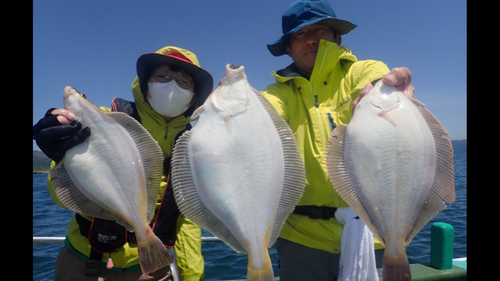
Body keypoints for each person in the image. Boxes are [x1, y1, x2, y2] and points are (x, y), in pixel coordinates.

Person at [261, 0, 414, 280]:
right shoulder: (277, 92)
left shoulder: (362, 71)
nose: (310, 40)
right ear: (288, 48)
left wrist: (391, 88)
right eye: (299, 35)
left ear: (337, 37)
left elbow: (378, 83)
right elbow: (263, 112)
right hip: (302, 240)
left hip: (374, 231)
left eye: (319, 30)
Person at [33, 46, 213, 281]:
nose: (172, 84)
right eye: (163, 76)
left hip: (150, 268)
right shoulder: (107, 120)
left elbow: (188, 220)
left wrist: (191, 277)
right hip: (86, 262)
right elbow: (61, 197)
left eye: (183, 81)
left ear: (193, 97)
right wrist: (60, 155)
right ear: (145, 84)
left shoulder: (192, 148)